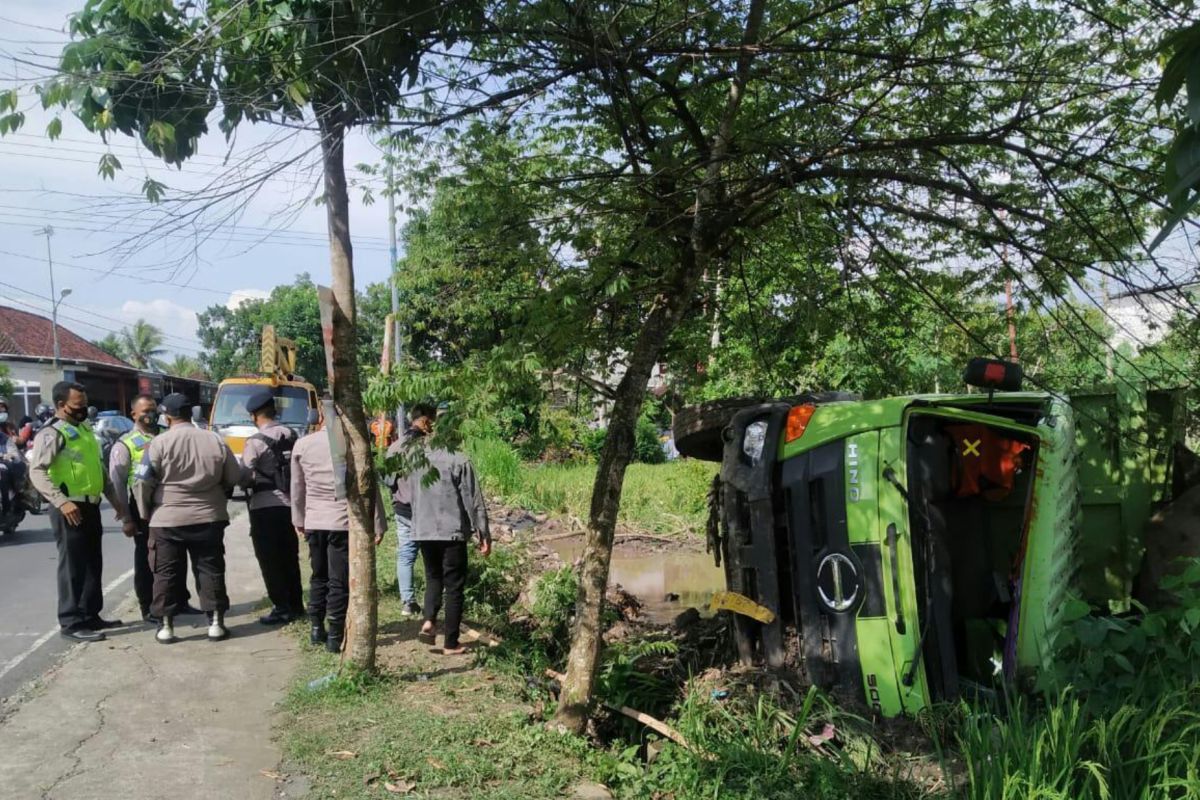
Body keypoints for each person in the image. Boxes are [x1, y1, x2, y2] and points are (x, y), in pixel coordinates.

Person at [135, 393, 240, 644]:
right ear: (189, 414)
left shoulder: (158, 444)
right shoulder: (215, 440)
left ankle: (166, 626)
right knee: (210, 568)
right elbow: (233, 475)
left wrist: (144, 513)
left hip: (167, 519)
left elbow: (142, 482)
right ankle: (215, 623)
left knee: (166, 572)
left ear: (166, 416)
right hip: (209, 516)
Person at [28, 381, 127, 642]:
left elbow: (98, 469)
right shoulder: (52, 433)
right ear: (61, 405)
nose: (83, 409)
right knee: (72, 566)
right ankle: (71, 623)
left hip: (91, 504)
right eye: (77, 405)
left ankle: (90, 614)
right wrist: (60, 501)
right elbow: (36, 471)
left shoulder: (83, 429)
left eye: (85, 404)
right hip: (68, 507)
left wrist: (116, 501)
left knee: (93, 563)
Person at [291, 416, 386, 652]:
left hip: (314, 519)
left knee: (318, 575)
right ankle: (335, 634)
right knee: (338, 579)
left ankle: (316, 628)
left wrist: (298, 518)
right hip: (341, 521)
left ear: (321, 417)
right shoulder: (353, 445)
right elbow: (368, 485)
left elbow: (297, 487)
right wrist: (378, 522)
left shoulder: (303, 444)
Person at [109, 394, 204, 623]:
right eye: (145, 410)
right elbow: (117, 483)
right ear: (133, 414)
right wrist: (126, 518)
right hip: (142, 509)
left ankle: (179, 601)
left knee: (176, 557)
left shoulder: (166, 436)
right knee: (146, 561)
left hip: (168, 507)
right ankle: (149, 608)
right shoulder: (125, 444)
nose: (150, 414)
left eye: (153, 409)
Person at [409, 413, 491, 655]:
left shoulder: (417, 459)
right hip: (451, 531)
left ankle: (429, 621)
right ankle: (451, 643)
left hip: (423, 530)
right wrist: (483, 534)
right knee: (454, 586)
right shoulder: (459, 459)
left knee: (433, 577)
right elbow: (473, 500)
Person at [238, 388, 304, 625]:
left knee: (269, 559)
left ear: (255, 415)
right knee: (289, 556)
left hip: (264, 507)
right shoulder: (292, 434)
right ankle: (297, 605)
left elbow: (244, 476)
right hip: (290, 506)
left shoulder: (255, 442)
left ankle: (281, 607)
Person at [384, 404, 436, 617]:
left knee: (406, 554)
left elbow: (388, 480)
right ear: (425, 421)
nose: (434, 427)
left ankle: (408, 601)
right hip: (427, 510)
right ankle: (434, 602)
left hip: (403, 509)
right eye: (433, 421)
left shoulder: (395, 447)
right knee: (431, 555)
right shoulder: (429, 447)